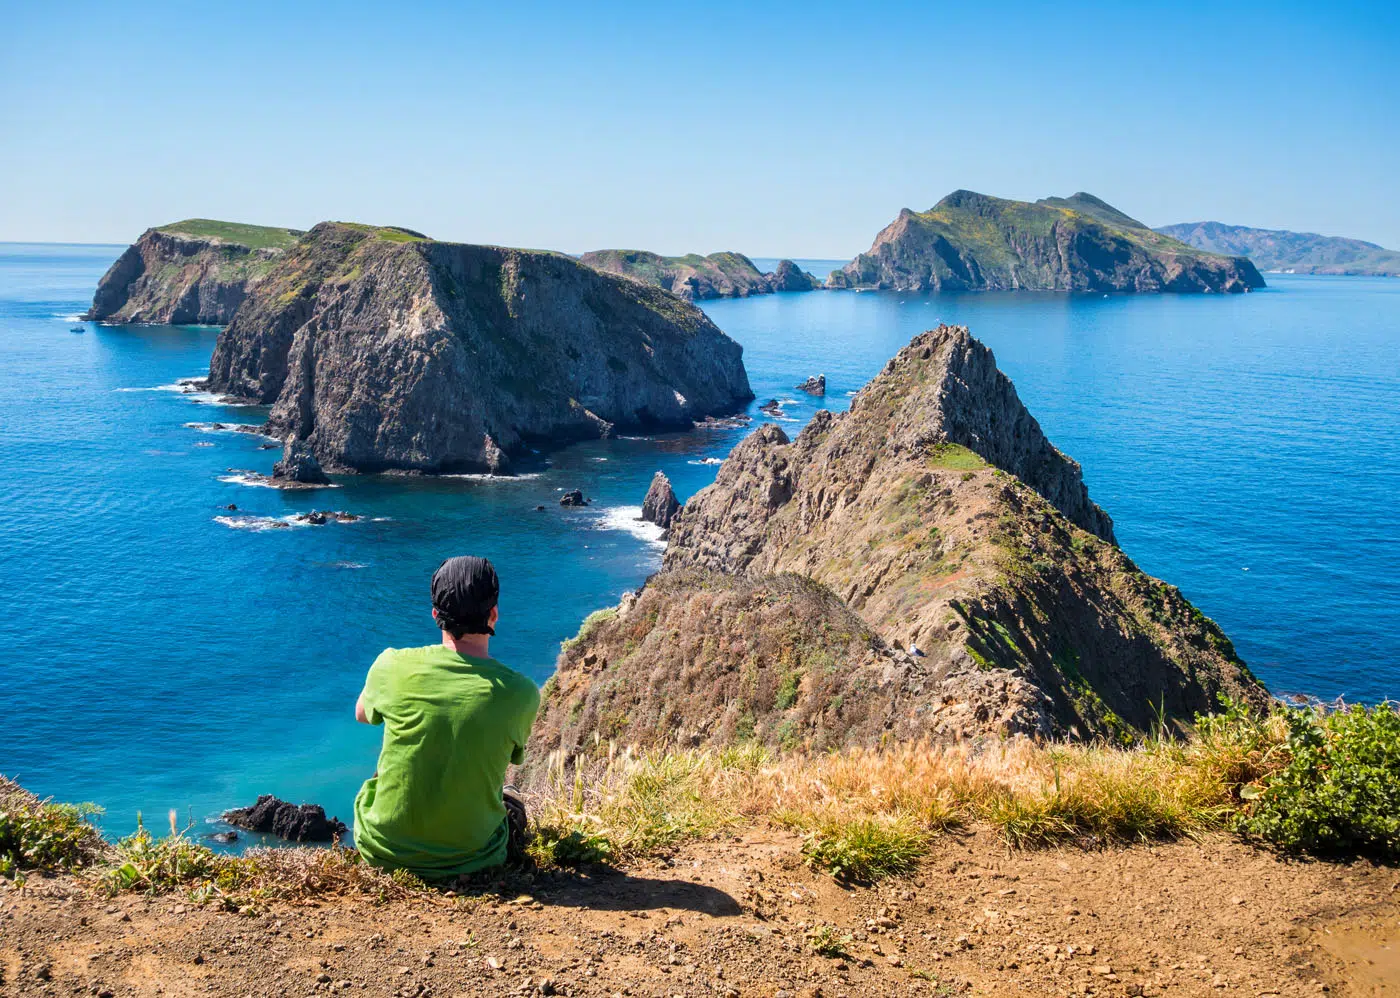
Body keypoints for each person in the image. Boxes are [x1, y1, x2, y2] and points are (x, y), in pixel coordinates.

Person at [353, 556, 539, 878]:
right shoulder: (521, 693)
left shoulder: (391, 665)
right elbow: (512, 756)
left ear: (436, 615)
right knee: (511, 800)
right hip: (475, 857)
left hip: (381, 850)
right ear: (493, 614)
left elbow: (362, 715)